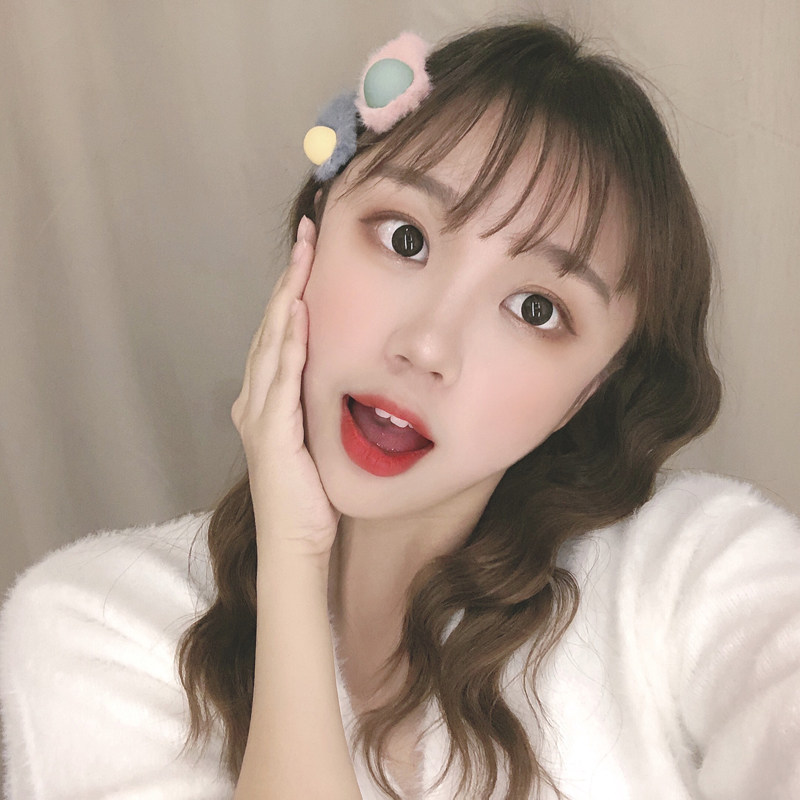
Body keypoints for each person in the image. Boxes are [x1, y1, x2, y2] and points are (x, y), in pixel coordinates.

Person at [2, 19, 799, 800]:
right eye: (406, 239)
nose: (426, 345)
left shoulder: (691, 574)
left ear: (587, 392)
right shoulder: (97, 624)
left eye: (535, 309)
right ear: (311, 239)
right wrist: (291, 558)